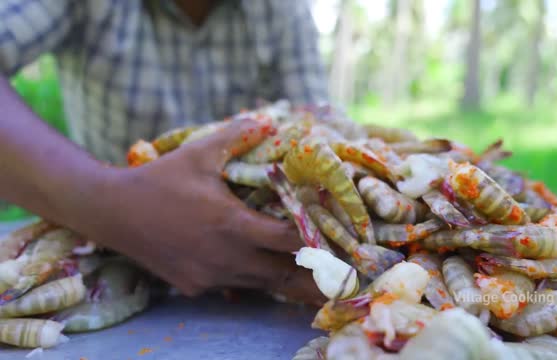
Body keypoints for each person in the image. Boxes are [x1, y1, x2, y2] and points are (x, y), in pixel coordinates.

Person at [0, 0, 328, 304]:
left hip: (256, 292)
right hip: (104, 264)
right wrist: (109, 204)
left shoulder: (282, 9)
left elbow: (317, 132)